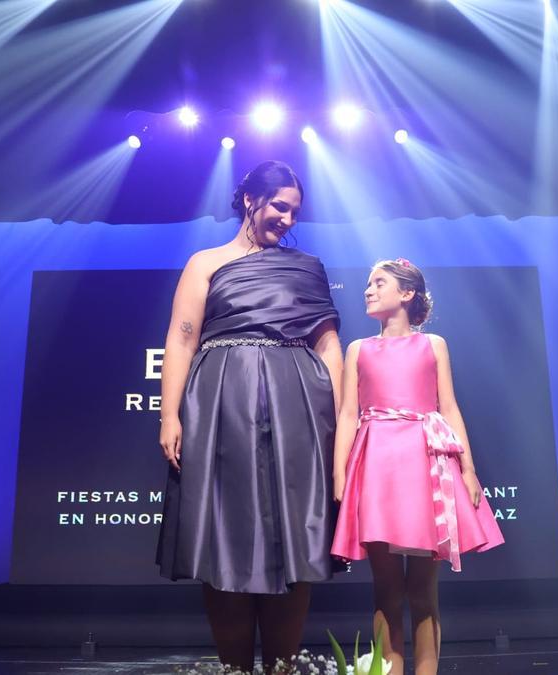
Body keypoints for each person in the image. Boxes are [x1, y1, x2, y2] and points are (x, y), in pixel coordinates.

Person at [156, 161, 343, 673]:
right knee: (226, 537)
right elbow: (181, 337)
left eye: (294, 211)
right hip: (222, 403)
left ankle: (284, 667)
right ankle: (234, 669)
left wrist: (337, 421)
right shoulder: (206, 262)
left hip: (299, 406)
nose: (286, 218)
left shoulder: (306, 266)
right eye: (279, 206)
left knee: (295, 538)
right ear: (249, 200)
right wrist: (169, 414)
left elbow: (328, 345)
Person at [330, 258, 503, 675]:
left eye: (379, 283)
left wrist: (468, 468)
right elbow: (349, 415)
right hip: (375, 466)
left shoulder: (433, 344)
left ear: (406, 294)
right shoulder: (358, 349)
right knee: (385, 588)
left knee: (424, 590)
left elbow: (449, 407)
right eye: (367, 283)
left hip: (426, 464)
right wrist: (339, 473)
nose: (368, 290)